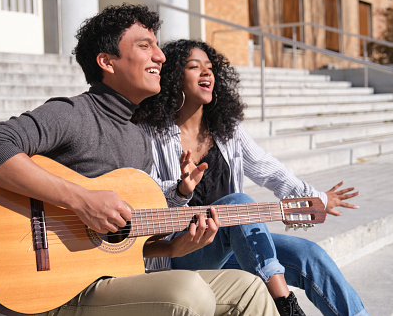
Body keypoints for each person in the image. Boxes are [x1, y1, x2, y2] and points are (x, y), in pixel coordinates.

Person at [0, 5, 279, 316]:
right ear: (107, 62)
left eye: (158, 46)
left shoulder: (139, 135)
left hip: (114, 279)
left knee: (249, 287)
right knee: (188, 293)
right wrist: (80, 199)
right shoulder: (72, 114)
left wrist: (170, 249)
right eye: (145, 46)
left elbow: (124, 241)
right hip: (59, 287)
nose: (161, 56)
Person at [132, 39, 370, 316]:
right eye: (194, 67)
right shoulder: (150, 134)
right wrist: (180, 189)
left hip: (231, 245)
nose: (207, 73)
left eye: (209, 68)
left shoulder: (226, 131)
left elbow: (269, 169)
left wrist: (316, 199)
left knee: (310, 255)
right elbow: (143, 194)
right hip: (183, 250)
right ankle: (285, 303)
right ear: (173, 77)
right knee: (239, 202)